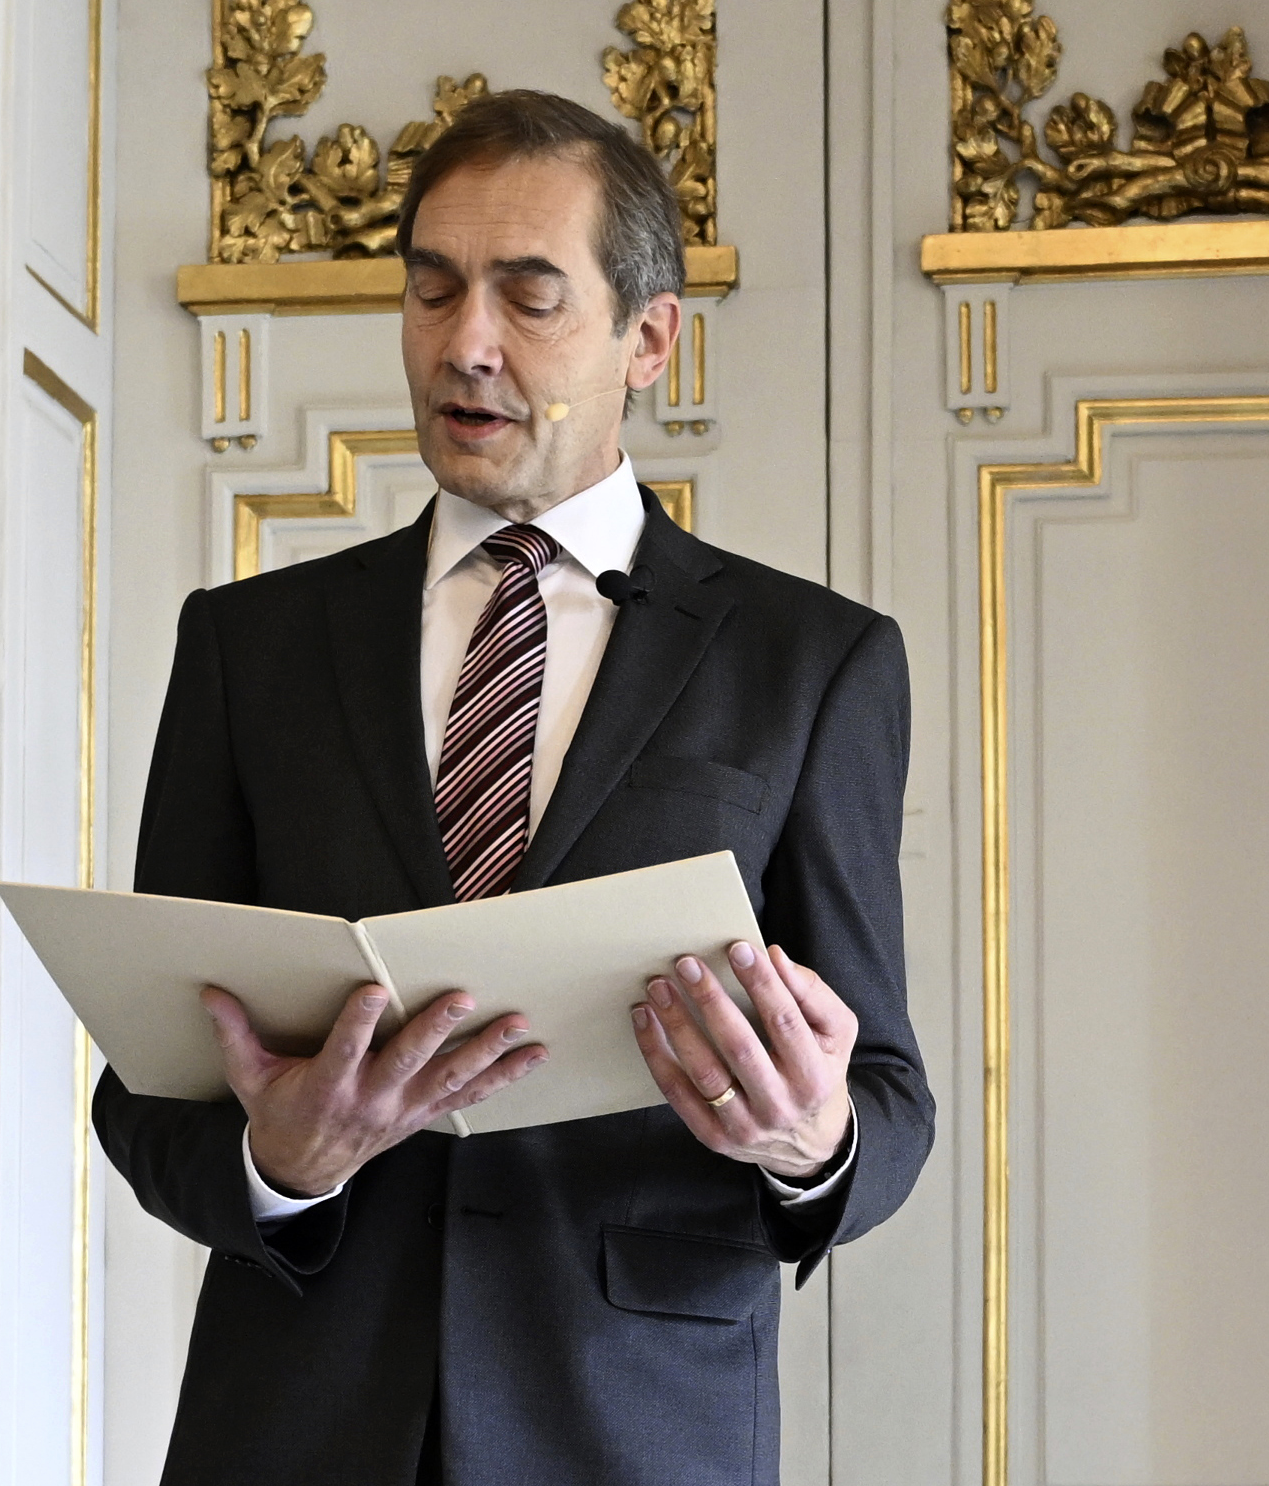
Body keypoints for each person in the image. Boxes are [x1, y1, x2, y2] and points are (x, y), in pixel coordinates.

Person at [92, 90, 931, 1486]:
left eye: (527, 299)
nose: (462, 345)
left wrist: (812, 1137)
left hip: (636, 1430)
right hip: (296, 1429)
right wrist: (280, 1167)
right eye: (431, 292)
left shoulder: (814, 664)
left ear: (647, 337)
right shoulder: (249, 650)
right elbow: (147, 1095)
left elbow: (886, 1100)